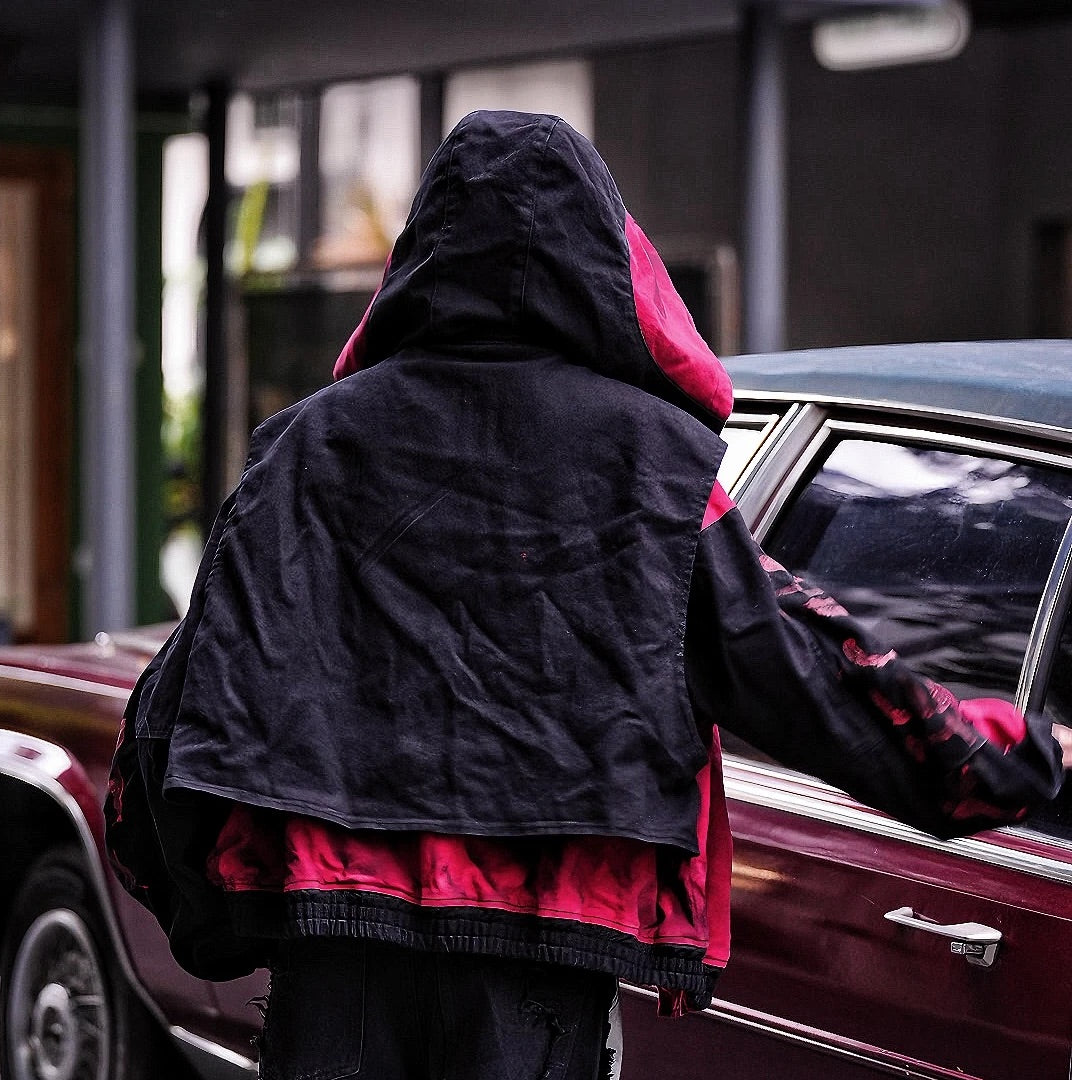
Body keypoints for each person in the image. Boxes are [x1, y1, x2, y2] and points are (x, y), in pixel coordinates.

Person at [105, 110, 1069, 1080]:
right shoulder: (658, 467)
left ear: (423, 254)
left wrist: (209, 915)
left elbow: (177, 713)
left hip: (337, 952)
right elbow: (809, 673)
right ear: (606, 259)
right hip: (543, 966)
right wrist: (1017, 759)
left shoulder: (305, 449)